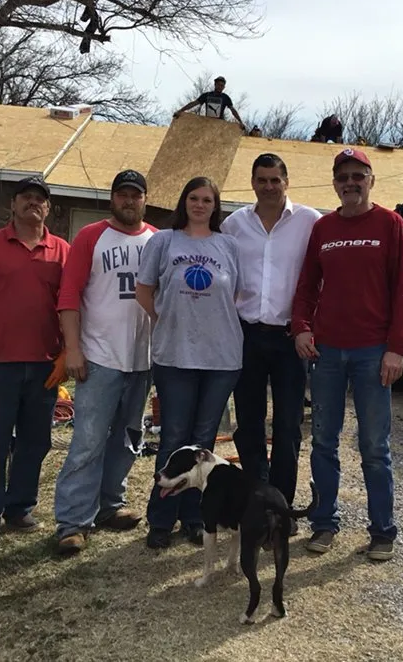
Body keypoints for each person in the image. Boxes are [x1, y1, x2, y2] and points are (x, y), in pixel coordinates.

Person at [291, 147, 403, 562]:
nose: (350, 182)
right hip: (326, 352)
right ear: (335, 183)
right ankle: (324, 524)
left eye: (358, 175)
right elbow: (307, 284)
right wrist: (302, 327)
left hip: (372, 352)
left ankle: (382, 531)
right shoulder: (323, 228)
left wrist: (396, 348)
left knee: (373, 447)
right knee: (324, 441)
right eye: (343, 176)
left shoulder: (391, 224)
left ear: (371, 180)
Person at [0, 174, 71, 550]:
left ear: (48, 207)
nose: (32, 203)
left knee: (35, 443)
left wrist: (66, 353)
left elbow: (72, 306)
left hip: (44, 366)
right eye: (25, 197)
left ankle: (19, 507)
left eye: (39, 199)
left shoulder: (62, 250)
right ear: (13, 205)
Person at [52, 170, 158, 555]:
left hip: (142, 359)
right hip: (99, 356)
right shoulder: (91, 236)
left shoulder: (156, 239)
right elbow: (68, 295)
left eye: (136, 195)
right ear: (112, 198)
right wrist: (73, 349)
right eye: (122, 194)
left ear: (145, 199)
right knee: (88, 442)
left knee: (129, 440)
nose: (129, 201)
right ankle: (72, 521)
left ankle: (110, 504)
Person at [135, 176, 243, 549]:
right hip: (175, 354)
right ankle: (161, 519)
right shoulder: (164, 241)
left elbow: (236, 293)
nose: (200, 205)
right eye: (194, 198)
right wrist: (164, 318)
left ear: (216, 206)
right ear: (184, 202)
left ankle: (196, 517)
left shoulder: (228, 245)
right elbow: (144, 290)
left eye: (207, 200)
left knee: (204, 443)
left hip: (222, 357)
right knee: (174, 438)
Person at [220, 153, 321, 524]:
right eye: (261, 179)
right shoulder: (234, 225)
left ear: (286, 181)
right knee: (248, 423)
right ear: (252, 182)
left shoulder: (310, 222)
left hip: (289, 338)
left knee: (288, 425)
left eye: (275, 179)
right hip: (245, 334)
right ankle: (255, 498)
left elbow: (321, 276)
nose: (268, 186)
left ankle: (282, 507)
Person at [173, 76, 246, 131]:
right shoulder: (207, 95)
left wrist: (240, 122)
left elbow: (233, 110)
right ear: (215, 85)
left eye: (222, 85)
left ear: (224, 87)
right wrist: (180, 111)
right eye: (219, 85)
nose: (220, 87)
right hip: (207, 122)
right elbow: (194, 103)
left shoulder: (225, 98)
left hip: (219, 124)